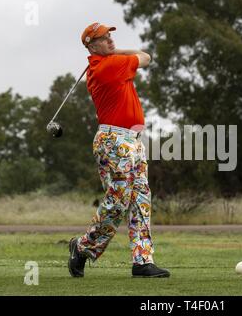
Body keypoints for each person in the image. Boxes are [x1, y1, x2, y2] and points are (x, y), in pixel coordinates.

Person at [68, 22, 170, 278]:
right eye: (103, 38)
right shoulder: (109, 67)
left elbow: (140, 56)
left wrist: (111, 51)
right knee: (118, 202)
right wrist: (115, 54)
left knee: (141, 201)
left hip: (132, 140)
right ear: (91, 46)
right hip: (115, 140)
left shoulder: (107, 63)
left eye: (110, 36)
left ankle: (142, 261)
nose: (111, 41)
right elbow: (146, 56)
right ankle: (81, 248)